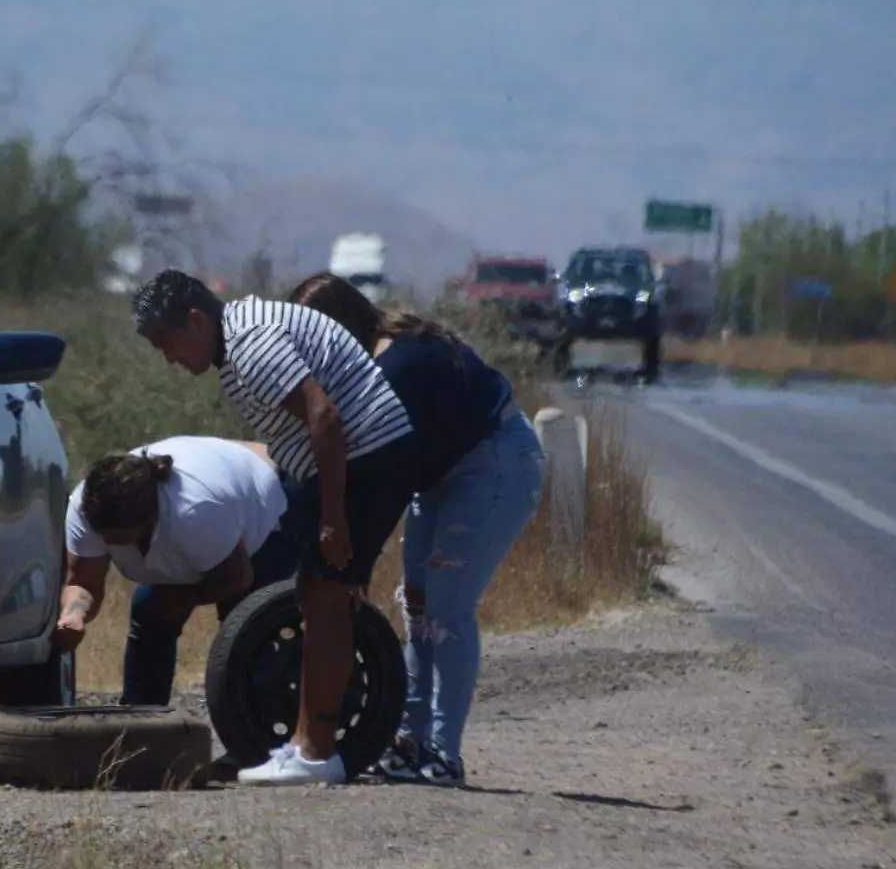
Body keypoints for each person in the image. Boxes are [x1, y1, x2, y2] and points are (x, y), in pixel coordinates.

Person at [129, 269, 421, 786]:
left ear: (196, 321)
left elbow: (324, 417)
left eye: (167, 344)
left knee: (325, 597)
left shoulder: (250, 345)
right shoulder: (240, 341)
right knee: (315, 593)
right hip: (356, 460)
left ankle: (315, 755)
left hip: (368, 457)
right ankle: (304, 745)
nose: (169, 360)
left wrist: (332, 516)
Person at [288, 272, 546, 788]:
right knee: (420, 608)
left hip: (493, 464)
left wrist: (355, 559)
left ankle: (445, 755)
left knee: (447, 610)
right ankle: (409, 743)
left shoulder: (396, 367)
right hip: (445, 475)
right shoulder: (376, 361)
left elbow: (384, 476)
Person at [53, 436, 311, 709]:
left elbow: (237, 578)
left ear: (148, 518)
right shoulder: (87, 508)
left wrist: (179, 599)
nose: (104, 538)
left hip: (267, 510)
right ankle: (142, 722)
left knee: (245, 624)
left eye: (115, 533)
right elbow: (83, 581)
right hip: (217, 495)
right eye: (99, 530)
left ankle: (261, 728)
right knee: (150, 611)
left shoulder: (194, 511)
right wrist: (74, 615)